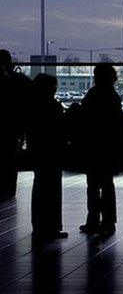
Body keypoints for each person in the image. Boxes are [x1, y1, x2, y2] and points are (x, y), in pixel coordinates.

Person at [79, 64, 123, 236]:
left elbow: (85, 121)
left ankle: (93, 220)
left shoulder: (92, 95)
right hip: (108, 148)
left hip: (93, 147)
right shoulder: (113, 97)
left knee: (93, 186)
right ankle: (108, 220)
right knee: (106, 185)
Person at [26, 74, 68, 241]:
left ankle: (39, 225)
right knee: (52, 191)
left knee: (40, 189)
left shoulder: (32, 106)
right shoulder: (53, 106)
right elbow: (60, 129)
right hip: (53, 153)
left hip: (39, 152)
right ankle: (52, 226)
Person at [0, 49, 31, 201]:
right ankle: (9, 189)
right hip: (15, 125)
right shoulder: (20, 80)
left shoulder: (7, 81)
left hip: (8, 124)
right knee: (11, 158)